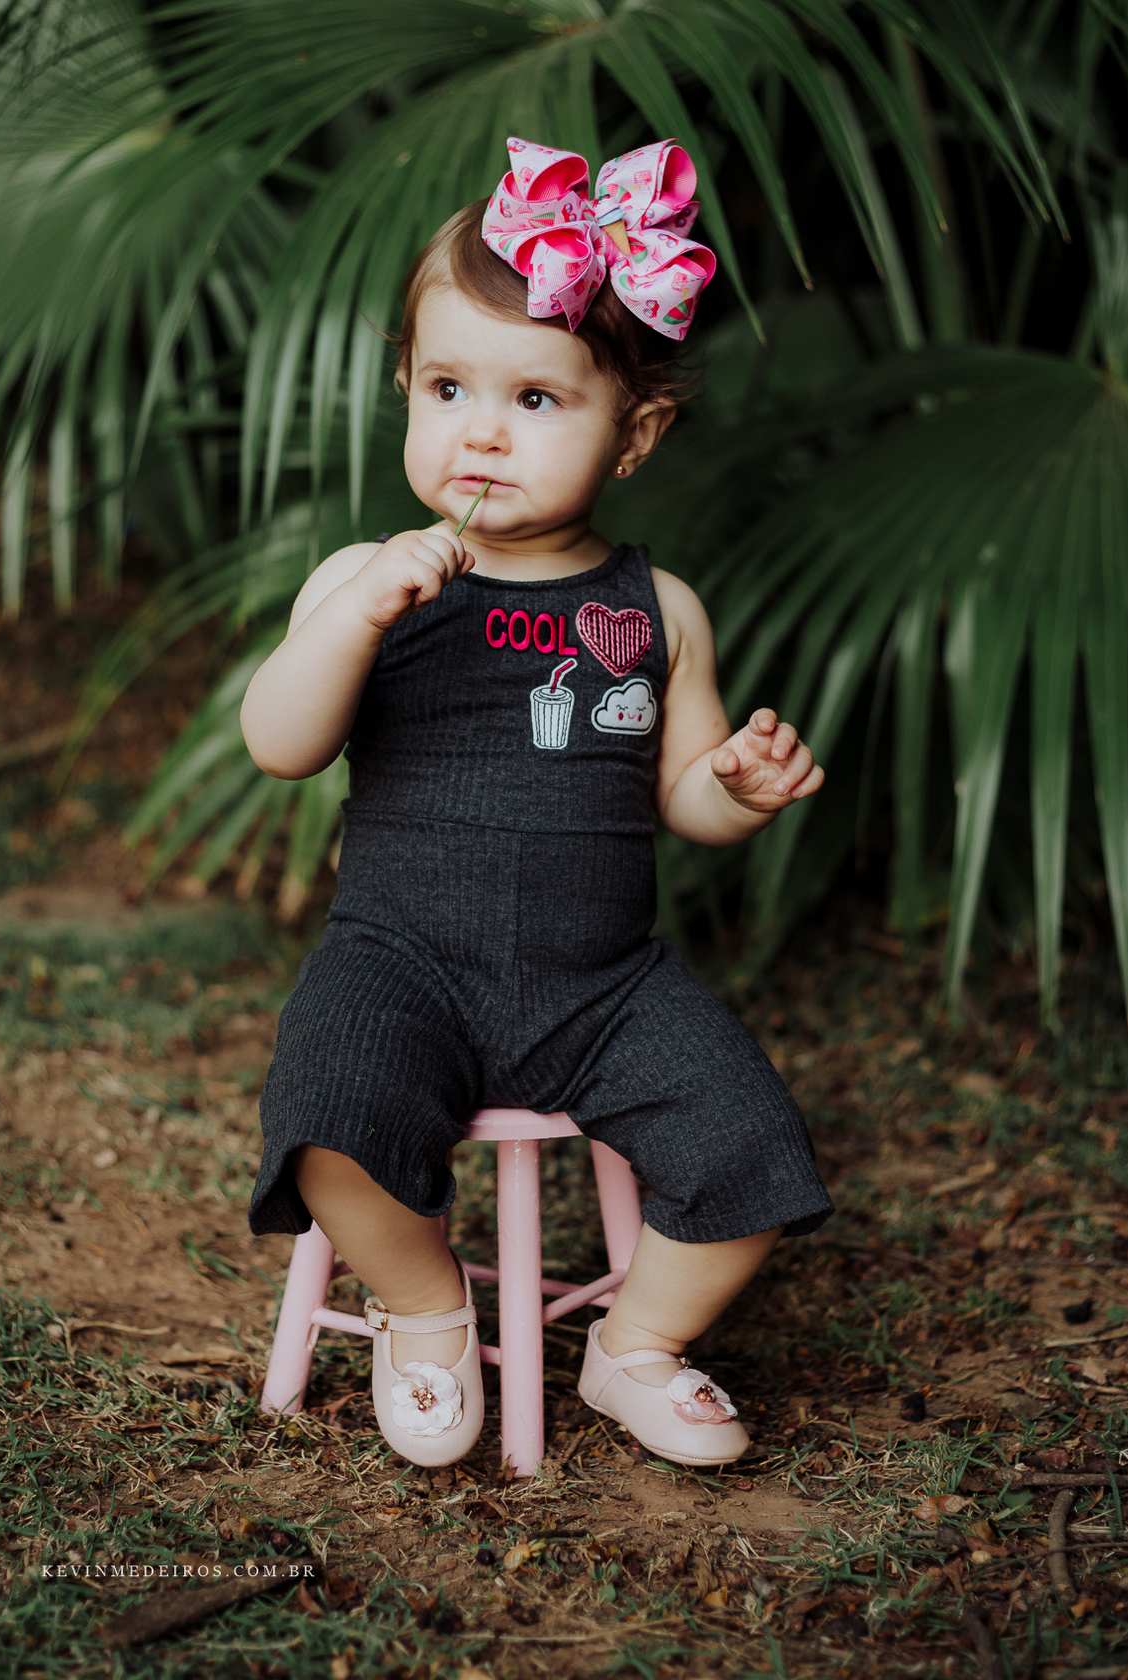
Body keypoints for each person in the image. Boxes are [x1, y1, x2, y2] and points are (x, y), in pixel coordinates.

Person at [242, 138, 833, 1470]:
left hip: (603, 984)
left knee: (752, 1146)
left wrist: (735, 787)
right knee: (328, 1117)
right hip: (399, 963)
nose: (483, 432)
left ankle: (637, 1348)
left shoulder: (654, 608)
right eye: (449, 387)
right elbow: (279, 742)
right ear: (406, 387)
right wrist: (355, 619)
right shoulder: (362, 579)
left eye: (538, 400)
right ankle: (422, 1303)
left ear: (636, 434)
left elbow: (682, 797)